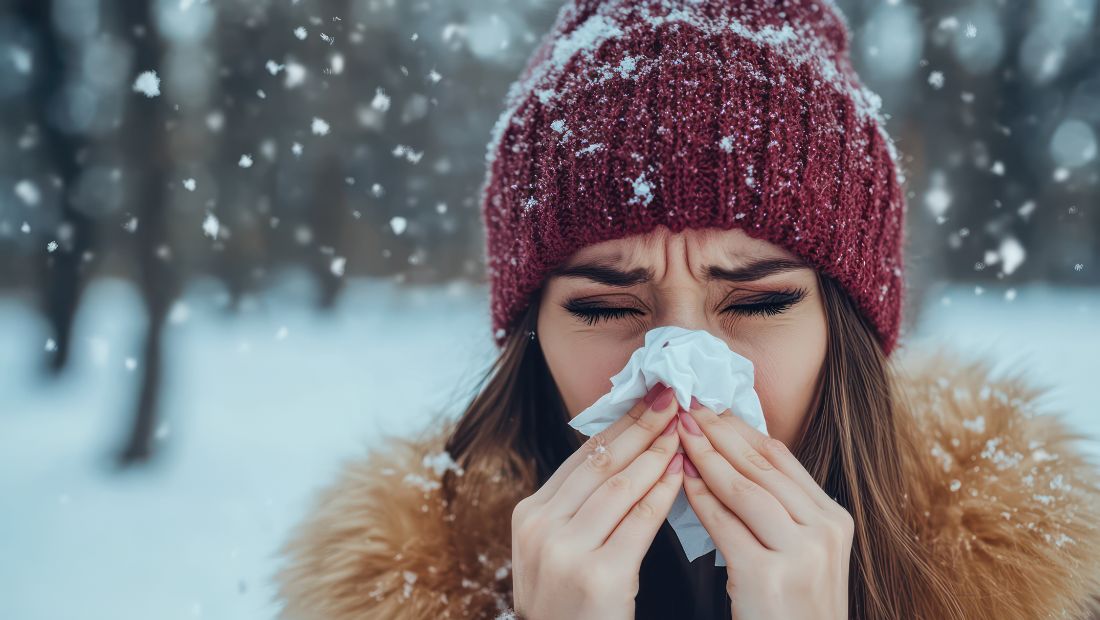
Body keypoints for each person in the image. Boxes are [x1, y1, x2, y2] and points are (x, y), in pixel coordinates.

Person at [272, 0, 1100, 618]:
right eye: (601, 308)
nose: (676, 373)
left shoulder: (1042, 591)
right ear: (529, 339)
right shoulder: (399, 587)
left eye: (761, 301)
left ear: (846, 336)